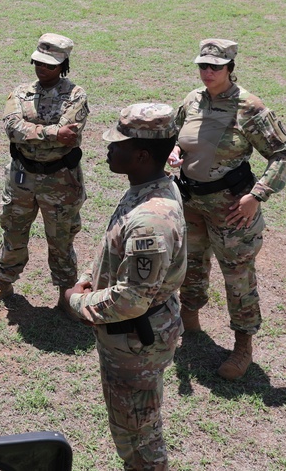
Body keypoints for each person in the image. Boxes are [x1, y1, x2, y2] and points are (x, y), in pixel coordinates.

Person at [65, 103, 186, 471]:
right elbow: (117, 252)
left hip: (134, 340)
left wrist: (78, 302)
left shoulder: (149, 220)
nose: (109, 148)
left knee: (139, 432)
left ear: (143, 154)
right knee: (132, 423)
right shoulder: (148, 187)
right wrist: (91, 274)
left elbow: (132, 298)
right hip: (132, 333)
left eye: (118, 144)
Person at [168, 38, 286, 380]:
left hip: (232, 210)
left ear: (230, 68)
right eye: (203, 66)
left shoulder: (250, 108)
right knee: (190, 264)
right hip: (191, 202)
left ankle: (243, 348)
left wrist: (258, 195)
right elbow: (177, 135)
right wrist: (175, 151)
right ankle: (189, 321)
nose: (207, 72)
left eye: (215, 67)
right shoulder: (193, 100)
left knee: (238, 278)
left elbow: (282, 153)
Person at [0, 33, 89, 309]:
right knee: (13, 231)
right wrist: (52, 132)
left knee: (61, 239)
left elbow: (71, 134)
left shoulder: (75, 95)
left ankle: (66, 294)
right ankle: (4, 282)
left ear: (63, 65)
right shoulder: (21, 92)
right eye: (38, 62)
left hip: (61, 180)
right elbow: (12, 129)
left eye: (50, 65)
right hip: (22, 177)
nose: (42, 69)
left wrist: (33, 132)